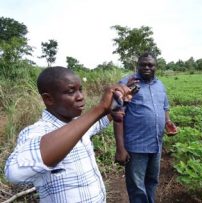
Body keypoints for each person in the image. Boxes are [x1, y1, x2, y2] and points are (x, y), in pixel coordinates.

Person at [5, 66, 131, 203]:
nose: (81, 97)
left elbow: (99, 123)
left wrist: (115, 106)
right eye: (71, 92)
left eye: (80, 90)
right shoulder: (37, 131)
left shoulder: (79, 124)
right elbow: (14, 172)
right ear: (48, 99)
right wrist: (100, 108)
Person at [114, 52, 178, 203]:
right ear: (138, 66)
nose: (147, 67)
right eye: (143, 64)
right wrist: (120, 148)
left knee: (152, 182)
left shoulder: (160, 85)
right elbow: (117, 116)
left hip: (156, 144)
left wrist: (168, 122)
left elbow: (165, 107)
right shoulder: (126, 84)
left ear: (156, 66)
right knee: (137, 186)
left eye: (151, 64)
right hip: (136, 146)